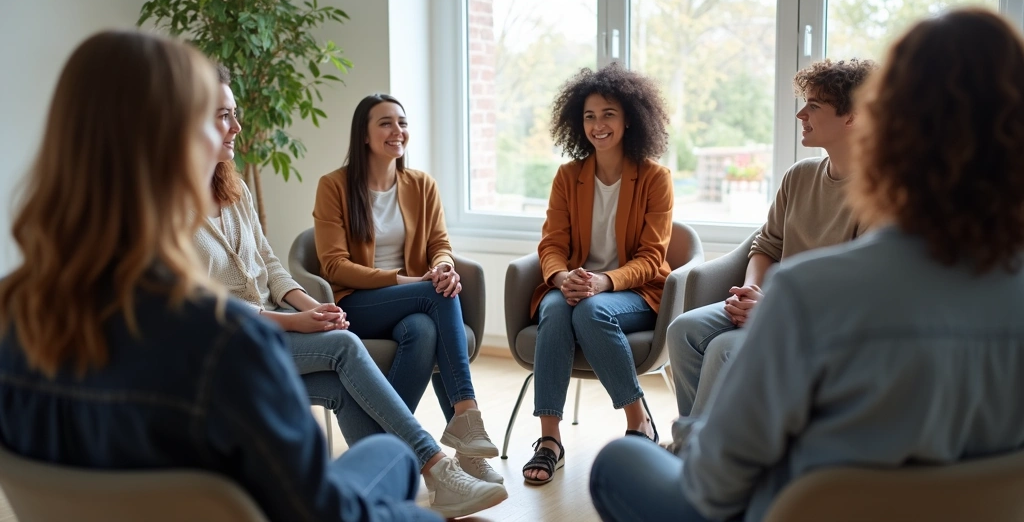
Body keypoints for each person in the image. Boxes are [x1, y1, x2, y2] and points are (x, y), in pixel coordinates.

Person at [591, 7, 1024, 522]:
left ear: (886, 125)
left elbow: (713, 486)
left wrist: (701, 438)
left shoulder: (809, 294)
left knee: (619, 459)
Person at [0, 30, 439, 521]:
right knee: (396, 465)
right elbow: (320, 515)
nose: (230, 131)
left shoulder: (12, 319)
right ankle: (434, 466)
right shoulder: (226, 346)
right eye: (214, 118)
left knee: (391, 455)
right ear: (169, 143)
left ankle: (426, 461)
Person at [192, 68, 506, 518]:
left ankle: (389, 479)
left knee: (412, 332)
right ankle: (439, 461)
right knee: (344, 344)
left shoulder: (233, 186)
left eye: (235, 114)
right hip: (233, 340)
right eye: (225, 115)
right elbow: (203, 307)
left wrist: (309, 305)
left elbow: (272, 265)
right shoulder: (169, 208)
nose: (238, 127)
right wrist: (295, 320)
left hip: (277, 320)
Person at [666, 57, 876, 421]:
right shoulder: (800, 176)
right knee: (683, 330)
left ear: (852, 117)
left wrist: (773, 309)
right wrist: (752, 292)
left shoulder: (878, 194)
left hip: (821, 321)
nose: (800, 115)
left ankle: (695, 457)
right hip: (771, 302)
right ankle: (707, 445)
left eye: (814, 105)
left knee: (724, 350)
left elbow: (859, 288)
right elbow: (766, 245)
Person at [313, 93, 501, 477]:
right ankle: (466, 418)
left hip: (413, 304)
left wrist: (444, 267)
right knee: (434, 294)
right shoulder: (333, 186)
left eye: (402, 123)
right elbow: (334, 266)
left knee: (423, 327)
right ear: (363, 135)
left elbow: (440, 245)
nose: (397, 131)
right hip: (358, 303)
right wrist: (408, 280)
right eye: (385, 123)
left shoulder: (420, 185)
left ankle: (388, 450)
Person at [521, 63, 674, 485]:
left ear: (630, 118)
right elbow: (551, 244)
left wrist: (604, 282)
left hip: (633, 292)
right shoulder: (569, 177)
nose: (598, 125)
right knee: (556, 310)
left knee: (592, 313)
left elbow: (651, 256)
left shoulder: (655, 178)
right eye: (589, 116)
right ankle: (548, 439)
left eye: (608, 114)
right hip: (571, 286)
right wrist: (561, 278)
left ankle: (637, 420)